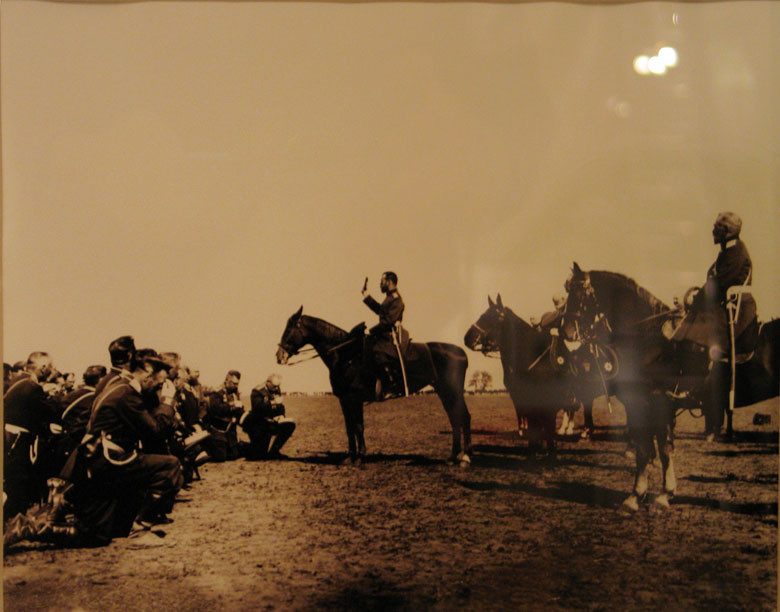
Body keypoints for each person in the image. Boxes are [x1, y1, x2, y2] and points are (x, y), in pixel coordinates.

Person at [673, 212, 758, 440]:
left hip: (737, 312)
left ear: (726, 232)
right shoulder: (727, 252)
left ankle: (691, 383)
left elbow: (718, 285)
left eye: (716, 228)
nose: (713, 232)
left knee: (696, 334)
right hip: (725, 307)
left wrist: (697, 298)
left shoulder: (736, 252)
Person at [3, 352, 61, 520]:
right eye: (50, 367)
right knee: (19, 485)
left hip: (9, 438)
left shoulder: (17, 381)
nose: (52, 370)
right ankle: (11, 526)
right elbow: (49, 411)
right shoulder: (32, 387)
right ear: (43, 368)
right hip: (17, 441)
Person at [361, 271, 406, 399]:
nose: (380, 284)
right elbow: (380, 311)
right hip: (384, 332)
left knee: (377, 350)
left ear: (390, 282)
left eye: (382, 281)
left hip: (392, 335)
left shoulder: (396, 299)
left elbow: (388, 321)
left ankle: (391, 386)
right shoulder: (389, 298)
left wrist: (372, 330)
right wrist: (366, 295)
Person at [243, 374, 296, 459]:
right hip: (259, 425)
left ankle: (274, 451)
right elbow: (258, 408)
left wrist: (281, 416)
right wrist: (273, 402)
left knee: (289, 425)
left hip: (272, 422)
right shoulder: (257, 391)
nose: (276, 388)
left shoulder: (276, 389)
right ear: (268, 382)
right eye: (275, 386)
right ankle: (243, 446)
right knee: (259, 456)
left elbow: (280, 406)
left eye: (278, 386)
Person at [204, 370, 245, 461]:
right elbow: (216, 409)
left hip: (230, 432)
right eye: (234, 383)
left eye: (237, 384)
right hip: (218, 431)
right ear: (226, 381)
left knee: (234, 455)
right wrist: (232, 406)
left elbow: (240, 409)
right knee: (220, 457)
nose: (236, 386)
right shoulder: (217, 392)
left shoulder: (236, 393)